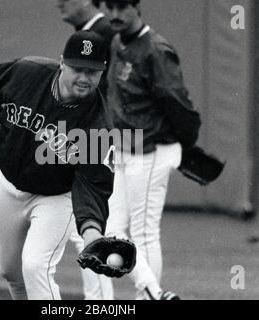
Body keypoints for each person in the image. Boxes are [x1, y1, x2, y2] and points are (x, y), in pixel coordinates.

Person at [0, 30, 115, 300]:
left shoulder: (98, 127)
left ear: (103, 72)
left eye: (92, 72)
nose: (84, 78)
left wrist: (92, 232)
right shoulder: (27, 73)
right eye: (77, 69)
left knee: (36, 266)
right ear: (62, 62)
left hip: (56, 198)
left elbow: (93, 184)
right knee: (11, 272)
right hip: (9, 185)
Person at [102, 0, 202, 300]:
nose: (116, 15)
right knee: (111, 229)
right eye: (111, 7)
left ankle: (148, 297)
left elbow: (178, 102)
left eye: (122, 7)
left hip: (151, 149)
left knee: (144, 232)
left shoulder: (155, 49)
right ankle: (154, 294)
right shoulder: (118, 41)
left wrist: (182, 140)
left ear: (136, 7)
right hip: (124, 147)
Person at [56, 0, 116, 300]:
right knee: (93, 229)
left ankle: (145, 293)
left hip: (103, 139)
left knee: (92, 225)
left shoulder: (105, 32)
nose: (58, 3)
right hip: (91, 139)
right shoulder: (90, 33)